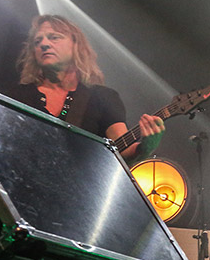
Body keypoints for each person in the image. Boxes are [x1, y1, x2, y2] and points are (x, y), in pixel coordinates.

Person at [9, 14, 164, 165]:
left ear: (76, 45)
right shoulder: (17, 95)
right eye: (37, 41)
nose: (44, 44)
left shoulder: (102, 97)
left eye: (54, 37)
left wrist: (145, 148)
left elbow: (122, 148)